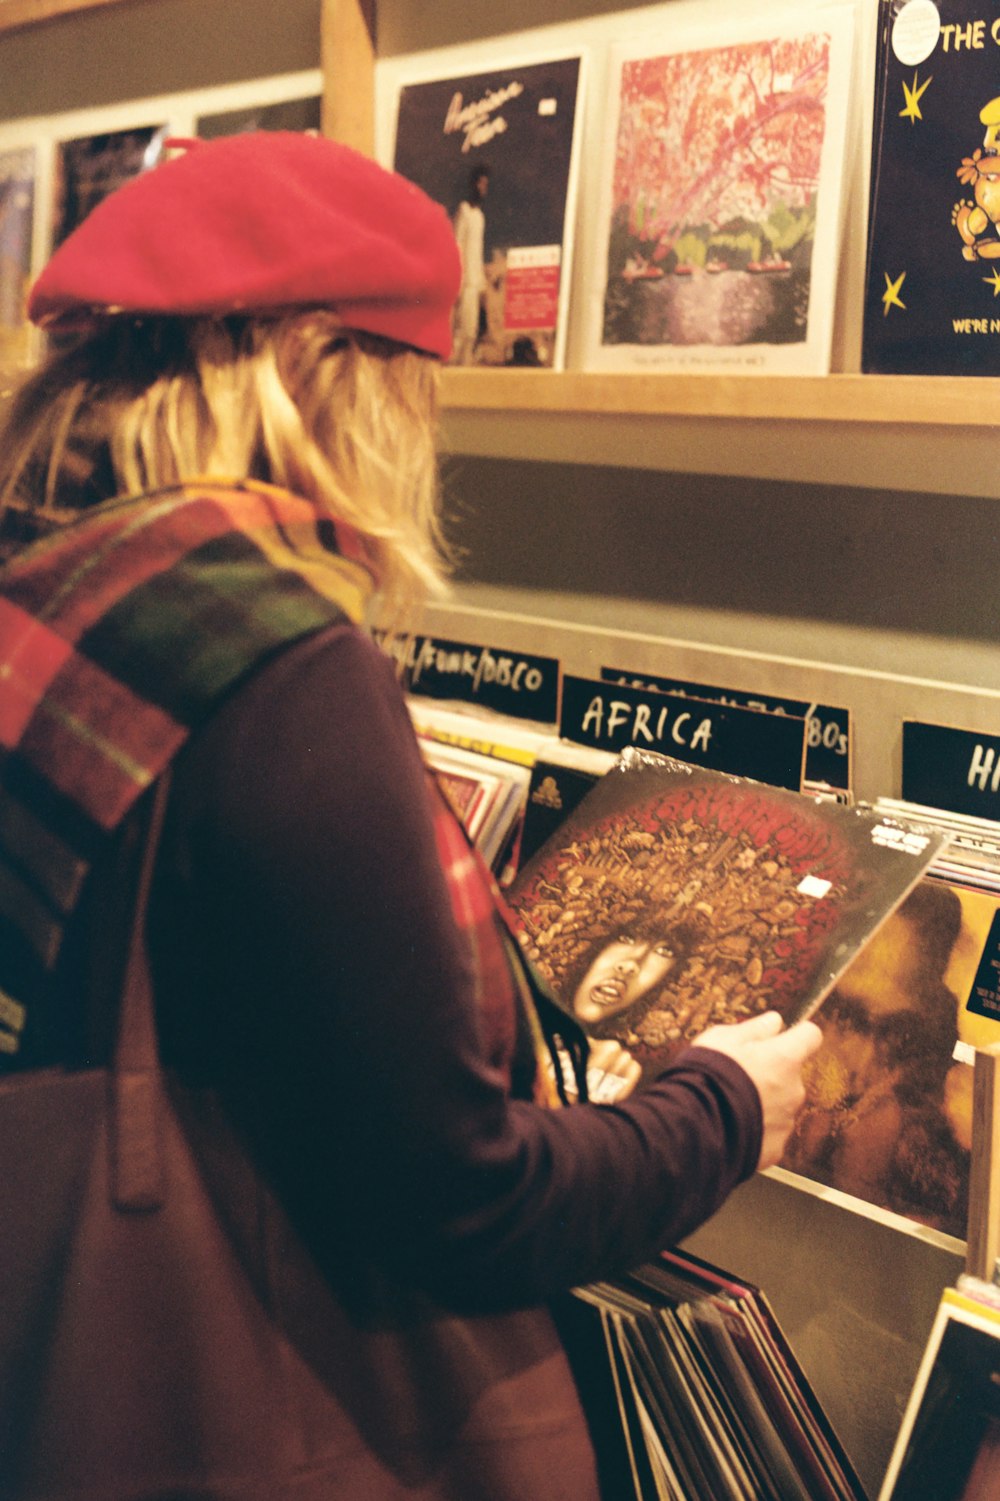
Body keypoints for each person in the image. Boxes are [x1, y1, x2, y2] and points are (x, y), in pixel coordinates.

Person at [0, 131, 820, 1500]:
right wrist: (723, 1107)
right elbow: (465, 1197)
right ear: (329, 371)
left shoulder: (56, 589)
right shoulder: (278, 671)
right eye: (418, 386)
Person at [451, 162, 489, 364]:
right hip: (464, 283)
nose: (482, 188)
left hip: (475, 284)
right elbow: (457, 246)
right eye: (480, 183)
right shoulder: (464, 211)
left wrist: (482, 285)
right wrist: (457, 281)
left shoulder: (480, 217)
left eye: (485, 185)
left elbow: (478, 252)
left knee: (471, 331)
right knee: (461, 330)